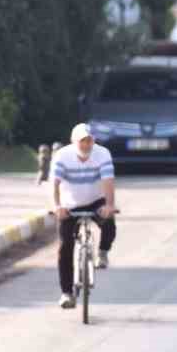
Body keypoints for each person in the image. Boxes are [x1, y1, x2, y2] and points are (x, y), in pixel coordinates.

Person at [52, 123, 117, 309]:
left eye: (90, 141)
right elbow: (54, 185)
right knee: (65, 246)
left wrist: (109, 205)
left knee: (109, 224)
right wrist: (57, 206)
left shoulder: (102, 154)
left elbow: (108, 181)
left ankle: (103, 252)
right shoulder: (63, 156)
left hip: (96, 199)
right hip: (69, 204)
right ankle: (66, 293)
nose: (87, 145)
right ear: (74, 142)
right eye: (82, 141)